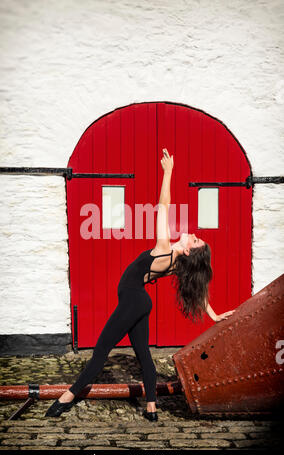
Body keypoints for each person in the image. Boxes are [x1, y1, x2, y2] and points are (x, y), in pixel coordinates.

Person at [45, 148, 235, 421]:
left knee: (100, 352)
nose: (193, 234)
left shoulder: (164, 251)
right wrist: (214, 314)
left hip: (134, 300)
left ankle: (67, 397)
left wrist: (168, 172)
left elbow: (164, 205)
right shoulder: (176, 263)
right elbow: (198, 289)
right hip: (140, 302)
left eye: (195, 240)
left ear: (189, 251)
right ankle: (151, 408)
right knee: (144, 355)